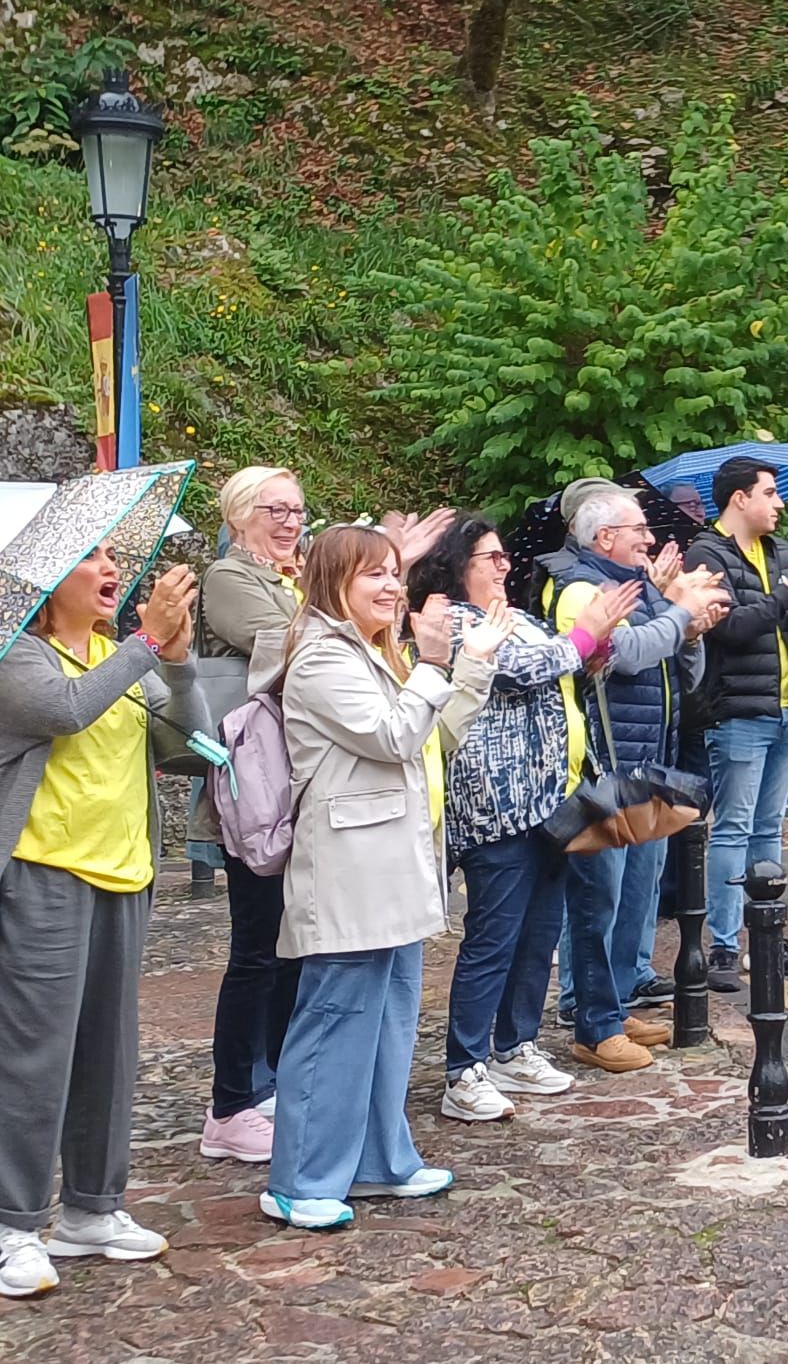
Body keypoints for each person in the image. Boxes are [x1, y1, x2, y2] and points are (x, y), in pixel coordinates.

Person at [261, 525, 504, 1231]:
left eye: (396, 573)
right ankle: (300, 1177)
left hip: (395, 866)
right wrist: (431, 661)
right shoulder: (317, 658)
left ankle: (377, 1162)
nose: (393, 588)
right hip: (349, 872)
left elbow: (434, 739)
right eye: (374, 575)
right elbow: (394, 734)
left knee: (390, 1023)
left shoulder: (374, 655)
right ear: (334, 580)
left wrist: (472, 667)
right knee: (334, 1022)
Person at [0, 553, 204, 1297]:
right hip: (43, 873)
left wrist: (177, 665)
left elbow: (187, 747)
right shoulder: (16, 652)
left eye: (115, 556)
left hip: (124, 872)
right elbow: (64, 710)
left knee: (109, 1052)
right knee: (33, 1056)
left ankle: (91, 1210)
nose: (113, 567)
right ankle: (12, 1223)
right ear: (45, 577)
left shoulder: (117, 654)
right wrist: (146, 644)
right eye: (93, 558)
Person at [406, 515, 643, 1112]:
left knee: (539, 934)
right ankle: (464, 1067)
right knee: (494, 935)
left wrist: (595, 652)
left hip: (553, 798)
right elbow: (522, 670)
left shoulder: (525, 620)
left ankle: (515, 1047)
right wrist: (584, 637)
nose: (504, 567)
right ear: (457, 566)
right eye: (490, 558)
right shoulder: (452, 620)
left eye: (506, 558)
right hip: (495, 802)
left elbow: (565, 669)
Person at [546, 489, 723, 1059]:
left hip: (648, 760)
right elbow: (627, 654)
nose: (649, 539)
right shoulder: (580, 589)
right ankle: (591, 1020)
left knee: (636, 896)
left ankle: (617, 1007)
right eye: (638, 529)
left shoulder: (638, 587)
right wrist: (678, 614)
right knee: (601, 900)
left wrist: (689, 632)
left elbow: (675, 667)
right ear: (603, 538)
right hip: (608, 766)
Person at [194, 465, 309, 1165]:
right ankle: (233, 1099)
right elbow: (286, 647)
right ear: (242, 515)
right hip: (254, 785)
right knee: (257, 947)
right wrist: (322, 598)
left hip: (298, 779)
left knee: (295, 943)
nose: (291, 521)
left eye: (298, 510)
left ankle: (275, 1081)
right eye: (277, 508)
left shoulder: (298, 579)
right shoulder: (228, 578)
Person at [686, 458, 788, 986]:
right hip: (739, 711)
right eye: (769, 494)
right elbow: (731, 630)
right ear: (739, 499)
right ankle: (724, 947)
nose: (779, 505)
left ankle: (765, 938)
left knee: (770, 827)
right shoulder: (706, 553)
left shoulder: (779, 553)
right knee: (732, 826)